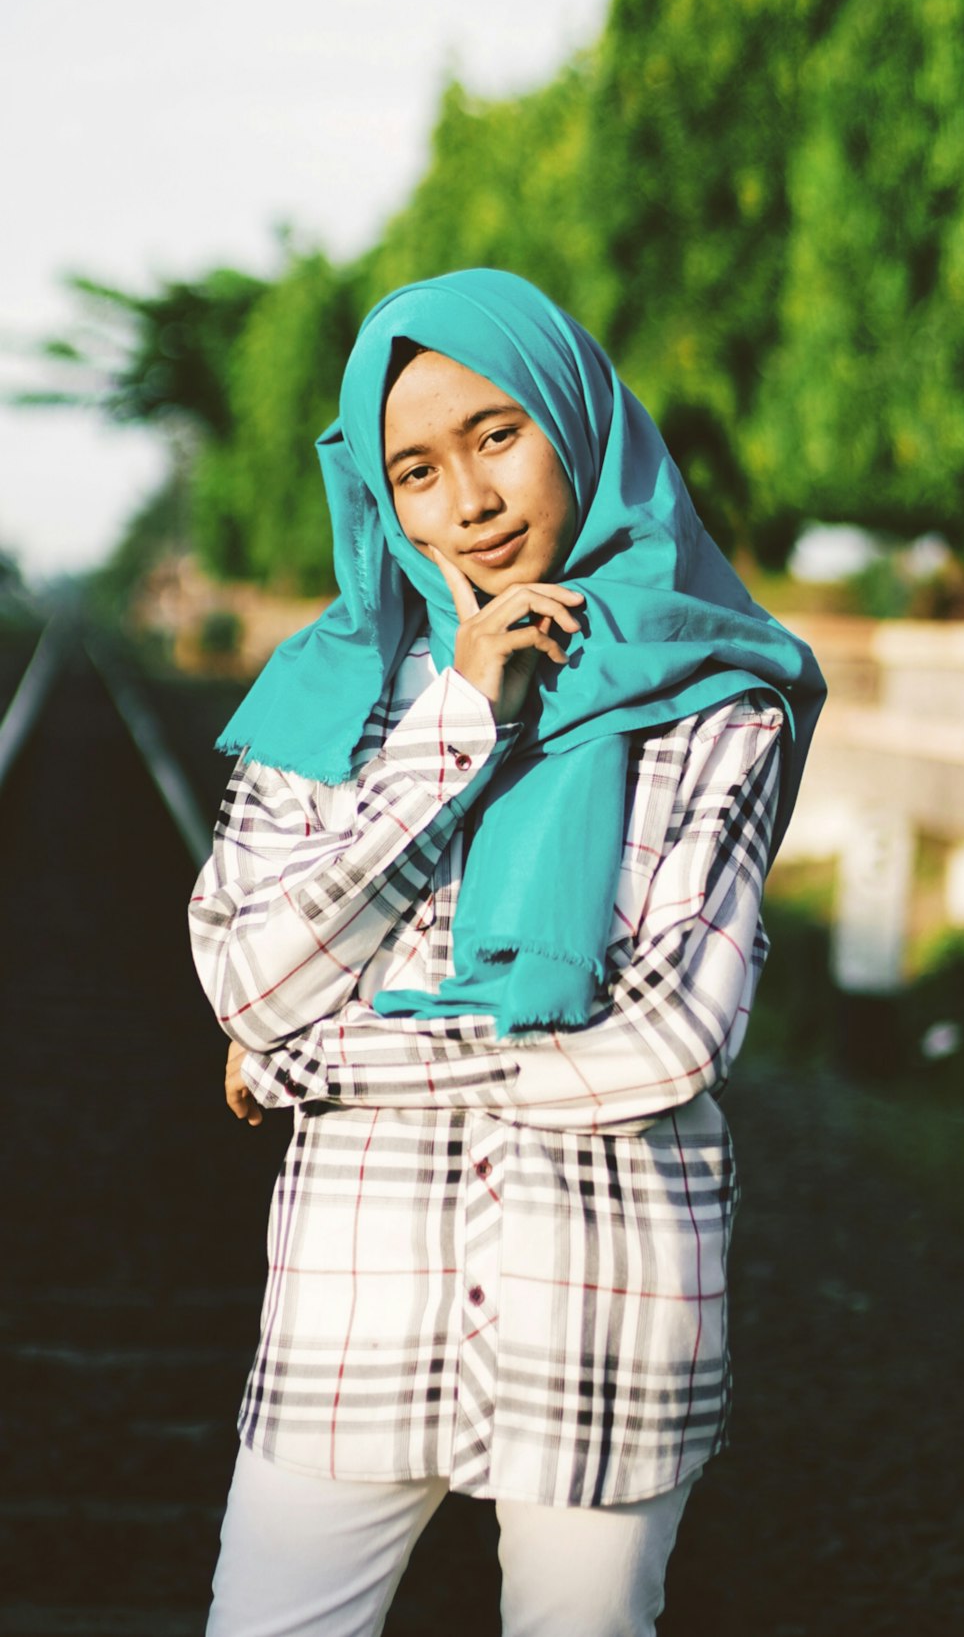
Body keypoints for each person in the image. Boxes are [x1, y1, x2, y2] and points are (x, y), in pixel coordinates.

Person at [189, 268, 825, 1637]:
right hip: (351, 1308)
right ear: (382, 495)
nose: (467, 504)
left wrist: (314, 1066)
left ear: (577, 420)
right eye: (414, 470)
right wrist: (460, 719)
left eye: (497, 435)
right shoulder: (325, 699)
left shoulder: (718, 700)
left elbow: (668, 1042)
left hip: (605, 1304)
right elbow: (247, 980)